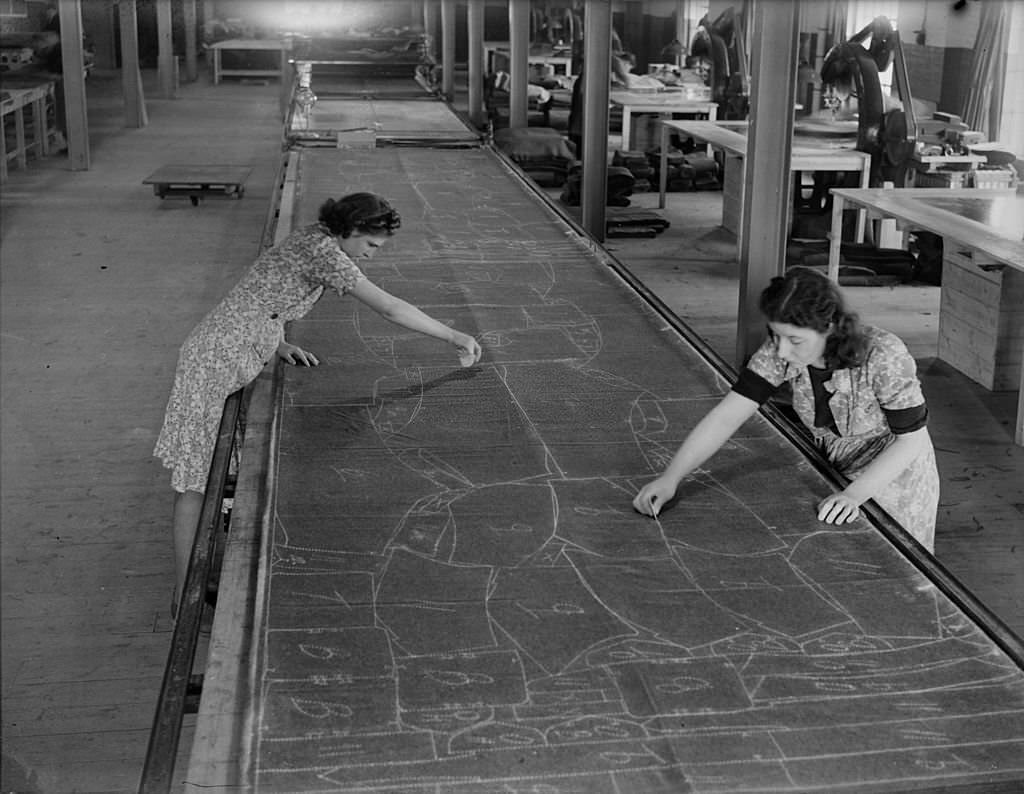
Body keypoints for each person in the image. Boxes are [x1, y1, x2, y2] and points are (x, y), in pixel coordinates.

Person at [155, 193, 483, 608]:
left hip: (234, 351)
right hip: (214, 361)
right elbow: (390, 309)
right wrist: (454, 336)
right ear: (351, 231)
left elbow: (263, 292)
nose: (371, 255)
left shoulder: (317, 237)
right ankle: (184, 597)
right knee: (195, 483)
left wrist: (277, 342)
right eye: (370, 245)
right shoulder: (325, 252)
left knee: (207, 475)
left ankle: (196, 583)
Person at [632, 267, 939, 553]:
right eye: (776, 336)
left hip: (894, 471)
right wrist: (671, 478)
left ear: (829, 328)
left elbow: (910, 441)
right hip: (834, 464)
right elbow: (726, 417)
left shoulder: (883, 355)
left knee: (894, 562)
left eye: (794, 340)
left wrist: (854, 495)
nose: (781, 350)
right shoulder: (781, 352)